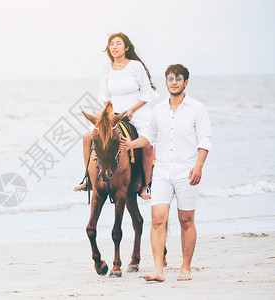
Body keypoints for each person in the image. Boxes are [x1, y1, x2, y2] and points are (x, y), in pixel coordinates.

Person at [119, 64, 211, 281]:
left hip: (187, 172)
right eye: (170, 78)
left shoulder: (197, 109)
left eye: (178, 78)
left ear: (185, 82)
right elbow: (149, 137)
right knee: (158, 219)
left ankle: (185, 268)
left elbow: (205, 140)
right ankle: (158, 270)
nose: (174, 82)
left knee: (186, 219)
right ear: (166, 82)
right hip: (161, 172)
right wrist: (130, 144)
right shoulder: (158, 109)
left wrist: (199, 166)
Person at [74, 32, 158, 199]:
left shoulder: (135, 66)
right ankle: (89, 178)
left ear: (126, 47)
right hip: (113, 115)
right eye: (111, 44)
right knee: (87, 137)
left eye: (118, 43)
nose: (114, 47)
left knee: (147, 146)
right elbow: (104, 95)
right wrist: (109, 113)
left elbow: (148, 93)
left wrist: (132, 110)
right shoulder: (107, 69)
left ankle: (145, 185)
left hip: (137, 112)